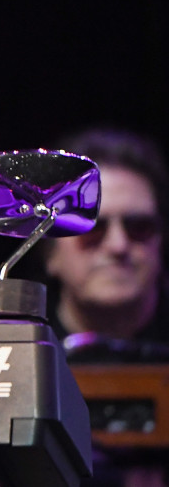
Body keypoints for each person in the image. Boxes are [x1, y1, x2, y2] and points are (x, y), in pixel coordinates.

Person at [43, 127, 167, 344]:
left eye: (139, 226)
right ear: (49, 251)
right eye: (92, 228)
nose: (118, 245)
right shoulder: (12, 356)